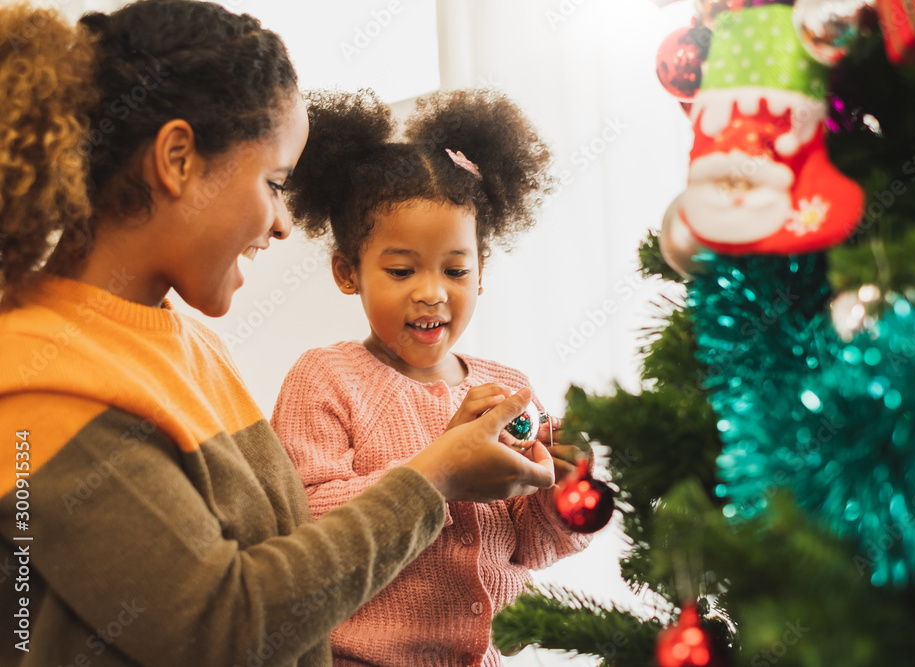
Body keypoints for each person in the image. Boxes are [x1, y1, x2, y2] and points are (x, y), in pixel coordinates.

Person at [0, 2, 555, 666]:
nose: (285, 224)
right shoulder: (38, 385)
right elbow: (219, 629)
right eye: (273, 182)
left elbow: (281, 568)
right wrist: (432, 478)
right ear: (177, 158)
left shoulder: (188, 344)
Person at [270, 89, 592, 667]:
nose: (432, 291)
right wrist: (439, 472)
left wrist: (564, 492)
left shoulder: (508, 386)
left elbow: (529, 546)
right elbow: (306, 527)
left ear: (481, 273)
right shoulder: (326, 377)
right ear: (349, 272)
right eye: (400, 270)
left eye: (456, 269)